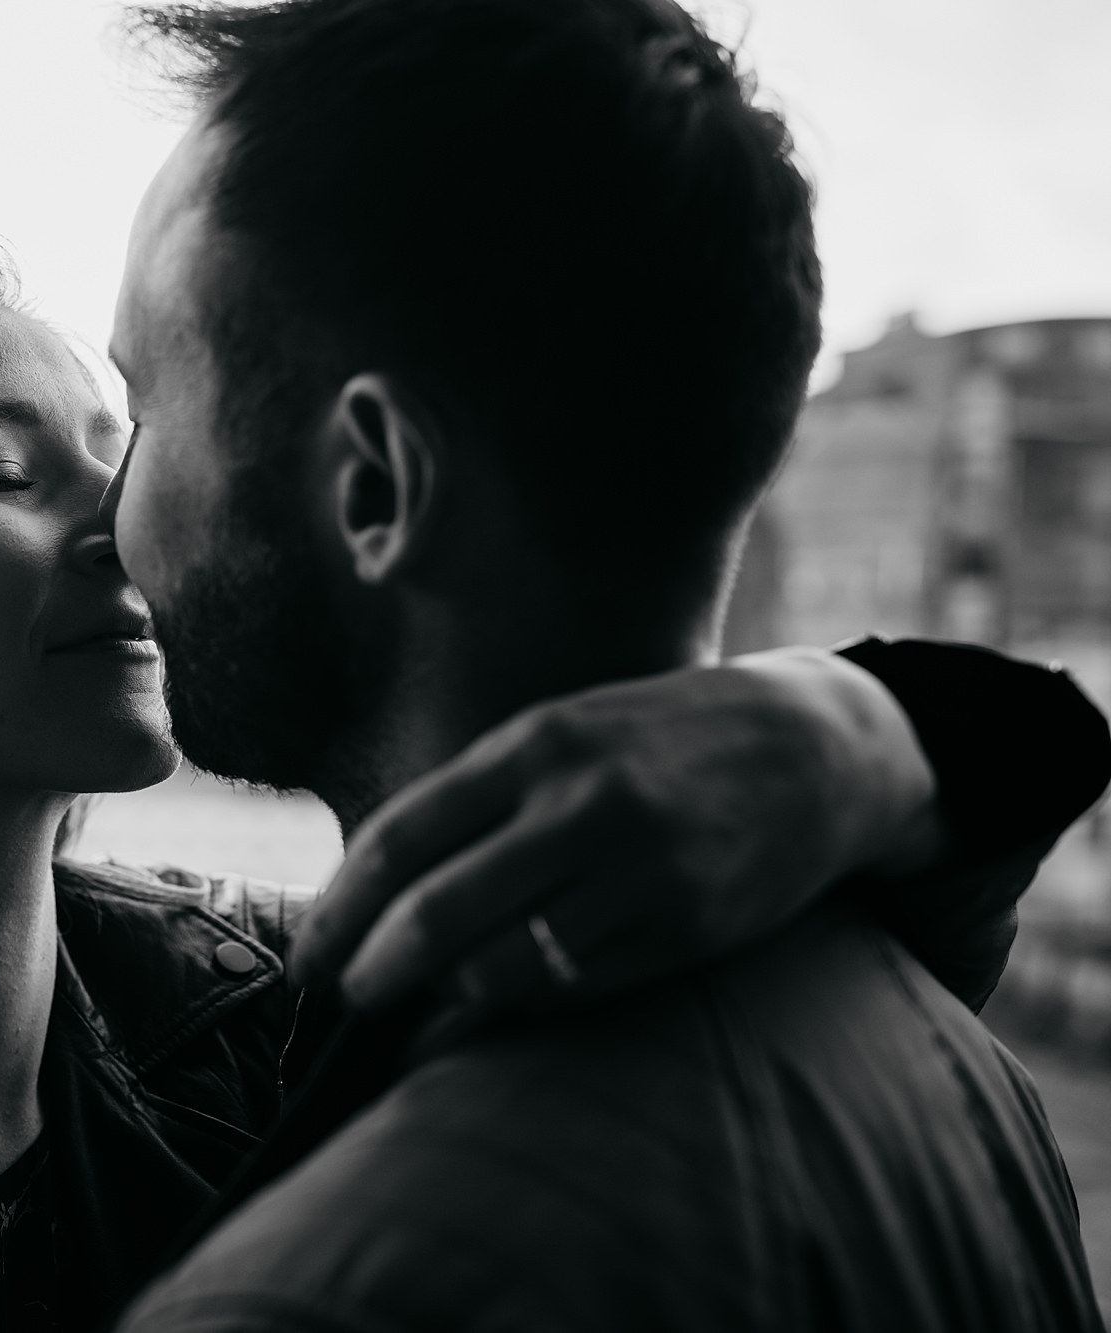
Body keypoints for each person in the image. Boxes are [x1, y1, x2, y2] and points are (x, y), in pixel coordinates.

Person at [105, 2, 1110, 1330]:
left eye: (143, 408)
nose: (109, 512)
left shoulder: (313, 1292)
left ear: (371, 483)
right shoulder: (971, 1078)